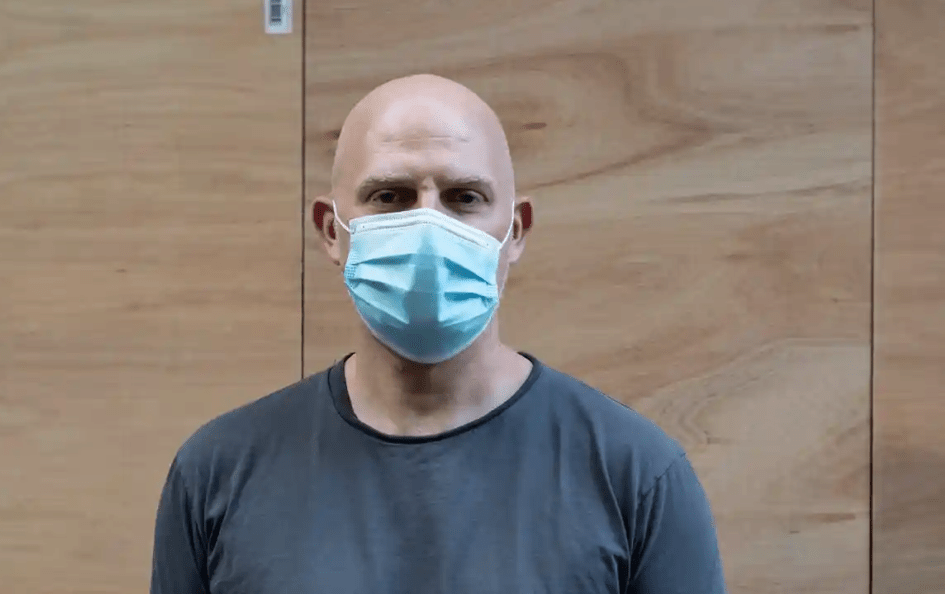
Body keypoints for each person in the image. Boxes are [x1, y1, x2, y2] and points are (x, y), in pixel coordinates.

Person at [150, 74, 727, 593]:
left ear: (515, 232)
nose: (429, 225)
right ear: (330, 230)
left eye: (464, 199)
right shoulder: (217, 474)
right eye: (391, 197)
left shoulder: (634, 476)